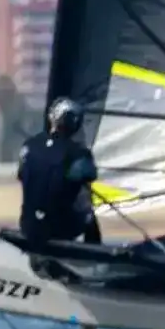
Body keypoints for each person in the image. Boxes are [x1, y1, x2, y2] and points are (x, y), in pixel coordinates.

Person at [16, 98, 102, 244]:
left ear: (52, 118)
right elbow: (90, 176)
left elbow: (21, 174)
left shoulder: (29, 146)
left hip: (28, 226)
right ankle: (96, 260)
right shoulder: (80, 154)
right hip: (61, 228)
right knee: (87, 208)